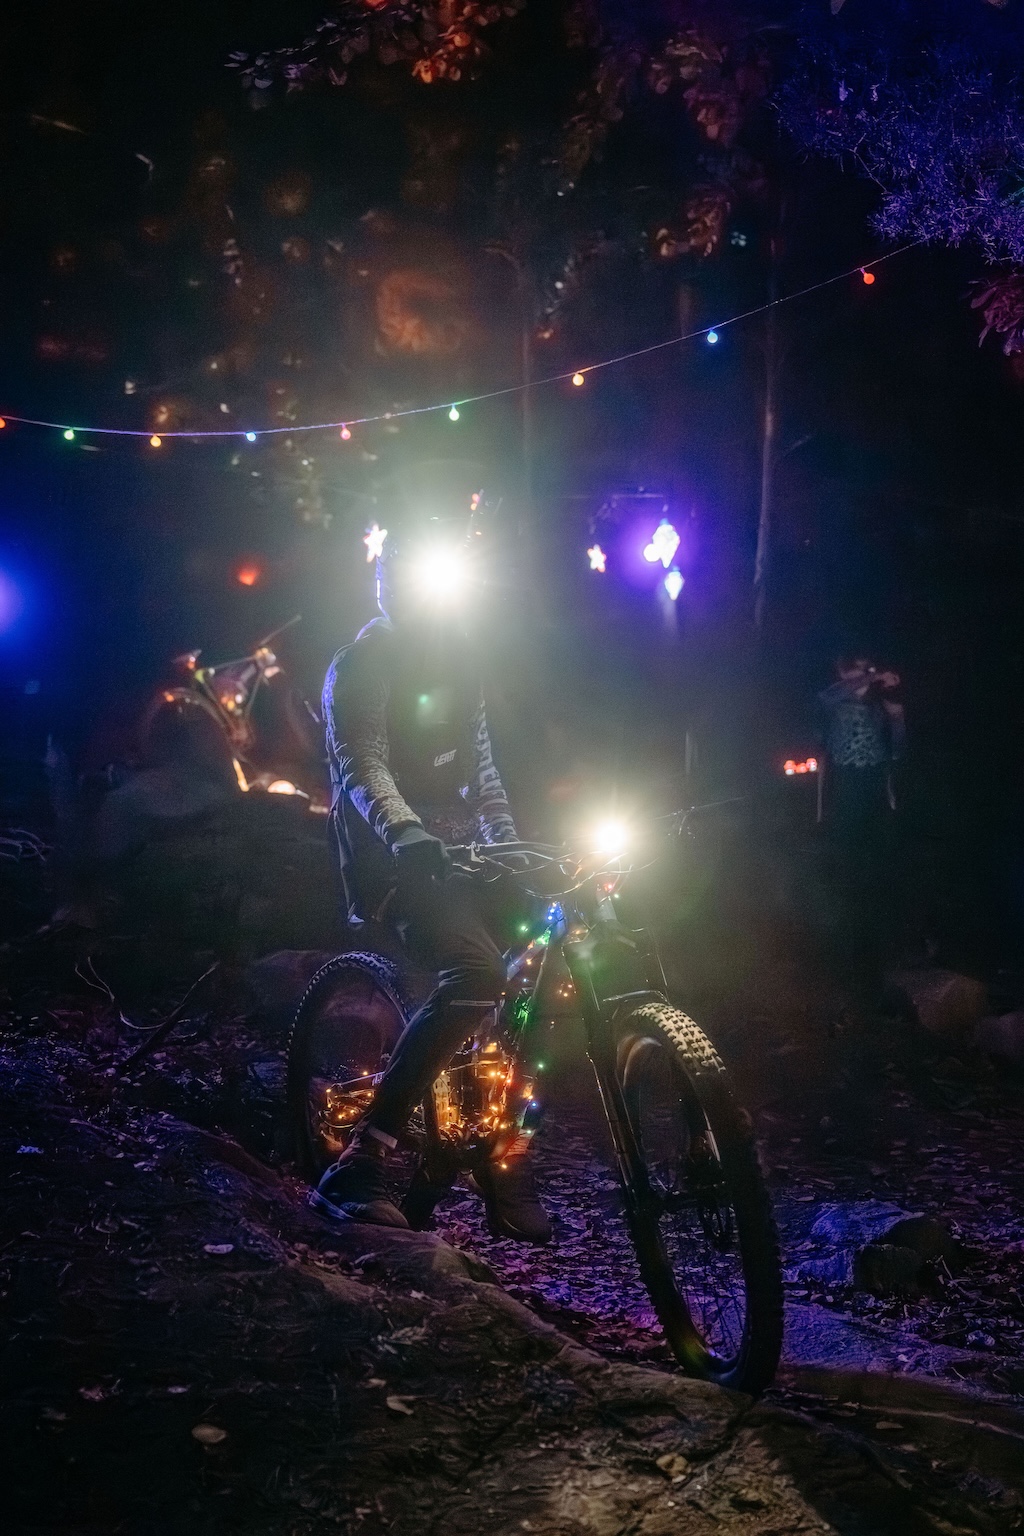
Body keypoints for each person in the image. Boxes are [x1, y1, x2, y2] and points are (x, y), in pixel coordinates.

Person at [311, 512, 551, 1242]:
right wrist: (406, 833)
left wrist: (508, 845)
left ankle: (500, 1150)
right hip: (395, 860)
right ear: (389, 589)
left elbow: (480, 771)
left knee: (557, 950)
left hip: (462, 854)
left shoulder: (460, 663)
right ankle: (360, 1161)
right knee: (476, 974)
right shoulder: (362, 665)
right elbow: (365, 764)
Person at [818, 653, 905, 1004]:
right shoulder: (835, 701)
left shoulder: (874, 707)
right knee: (849, 859)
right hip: (847, 783)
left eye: (867, 669)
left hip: (873, 785)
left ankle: (875, 927)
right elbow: (826, 696)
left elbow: (896, 749)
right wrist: (870, 676)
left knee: (875, 861)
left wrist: (898, 719)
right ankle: (847, 933)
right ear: (844, 671)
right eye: (859, 669)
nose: (866, 676)